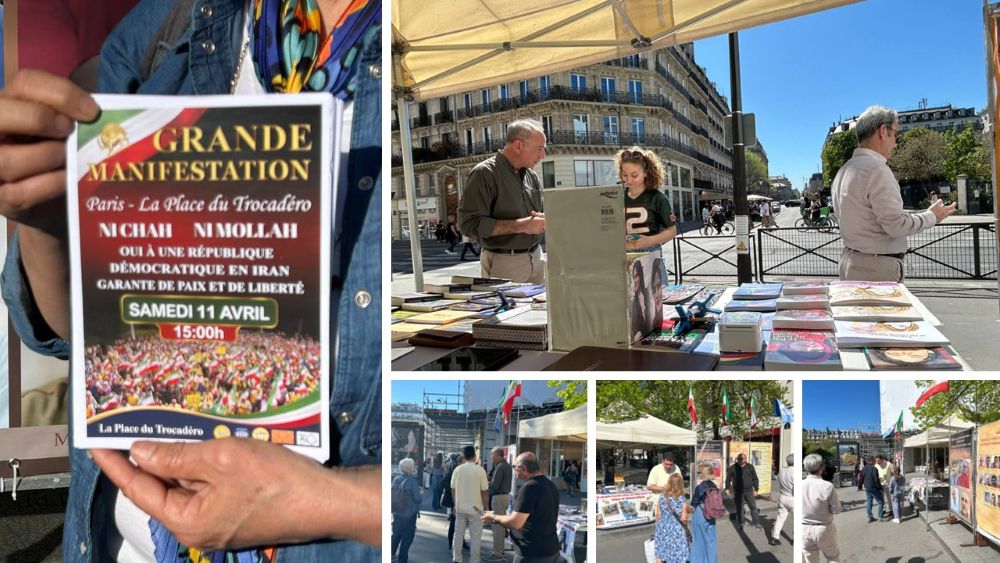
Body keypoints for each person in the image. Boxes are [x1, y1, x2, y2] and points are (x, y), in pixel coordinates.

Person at [0, 1, 381, 561]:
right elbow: (73, 333)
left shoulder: (402, 46)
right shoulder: (175, 20)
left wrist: (331, 502)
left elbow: (417, 495)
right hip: (123, 540)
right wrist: (42, 225)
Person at [831, 105, 957, 281]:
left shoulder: (844, 170)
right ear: (883, 131)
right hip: (876, 269)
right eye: (896, 134)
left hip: (851, 262)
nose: (896, 143)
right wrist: (931, 216)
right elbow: (895, 225)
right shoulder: (876, 169)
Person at [458, 119, 547, 283]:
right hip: (504, 262)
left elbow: (537, 215)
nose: (542, 156)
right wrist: (522, 225)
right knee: (509, 309)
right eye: (539, 149)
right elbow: (468, 225)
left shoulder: (532, 176)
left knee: (542, 308)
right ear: (518, 145)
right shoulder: (484, 173)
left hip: (537, 258)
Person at [482, 452, 560, 563]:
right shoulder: (550, 484)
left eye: (514, 467)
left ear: (523, 468)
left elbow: (515, 522)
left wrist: (493, 517)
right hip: (549, 549)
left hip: (532, 553)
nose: (513, 470)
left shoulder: (529, 488)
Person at [617, 146, 676, 283]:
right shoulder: (616, 197)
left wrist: (650, 240)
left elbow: (672, 231)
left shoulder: (658, 198)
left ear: (646, 173)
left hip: (651, 257)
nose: (629, 180)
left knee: (658, 303)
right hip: (624, 261)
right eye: (625, 175)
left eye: (634, 175)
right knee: (627, 304)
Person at [452, 445, 489, 563]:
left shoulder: (458, 469)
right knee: (475, 537)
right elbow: (484, 491)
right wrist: (486, 507)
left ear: (464, 456)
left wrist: (454, 503)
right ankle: (474, 560)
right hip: (476, 509)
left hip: (460, 507)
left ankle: (457, 559)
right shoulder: (480, 470)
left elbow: (453, 488)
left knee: (458, 535)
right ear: (474, 456)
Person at [802, 454, 842, 563]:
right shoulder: (827, 486)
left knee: (810, 559)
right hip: (823, 528)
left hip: (804, 529)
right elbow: (836, 510)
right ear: (821, 468)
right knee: (833, 557)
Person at [654, 472, 689, 563]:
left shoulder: (662, 497)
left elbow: (658, 514)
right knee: (677, 554)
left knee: (660, 554)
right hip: (676, 529)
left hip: (662, 527)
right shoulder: (682, 499)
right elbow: (684, 518)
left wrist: (660, 526)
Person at [391, 458, 422, 563]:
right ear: (410, 468)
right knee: (407, 537)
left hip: (397, 511)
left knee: (396, 534)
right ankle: (402, 559)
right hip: (409, 513)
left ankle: (390, 554)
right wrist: (420, 494)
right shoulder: (413, 482)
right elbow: (418, 499)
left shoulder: (396, 479)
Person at [688, 464, 718, 563]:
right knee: (711, 540)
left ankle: (698, 560)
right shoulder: (714, 486)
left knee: (698, 539)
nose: (698, 474)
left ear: (703, 474)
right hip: (712, 515)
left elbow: (693, 504)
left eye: (699, 473)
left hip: (700, 514)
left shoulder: (700, 487)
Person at [487, 447, 513, 561]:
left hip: (498, 497)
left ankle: (498, 553)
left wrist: (487, 483)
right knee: (500, 526)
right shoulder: (505, 465)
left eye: (492, 455)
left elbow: (494, 485)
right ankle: (498, 550)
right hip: (504, 496)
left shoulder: (500, 466)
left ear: (498, 455)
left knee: (497, 526)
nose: (491, 457)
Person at [725, 453, 760, 530]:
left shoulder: (750, 467)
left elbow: (755, 479)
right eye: (741, 459)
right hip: (738, 492)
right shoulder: (733, 468)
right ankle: (741, 523)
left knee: (753, 507)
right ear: (738, 459)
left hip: (749, 491)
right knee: (739, 508)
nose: (743, 460)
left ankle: (756, 522)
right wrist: (727, 488)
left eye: (744, 459)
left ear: (746, 459)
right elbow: (728, 479)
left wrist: (756, 489)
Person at [771, 454, 795, 546]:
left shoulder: (782, 470)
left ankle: (775, 538)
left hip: (783, 496)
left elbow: (778, 482)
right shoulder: (795, 472)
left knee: (780, 518)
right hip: (793, 498)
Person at [861, 456, 886, 522]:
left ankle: (870, 517)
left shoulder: (864, 468)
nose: (875, 461)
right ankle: (880, 517)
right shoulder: (874, 468)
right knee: (881, 502)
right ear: (871, 460)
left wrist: (863, 485)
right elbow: (876, 479)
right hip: (874, 488)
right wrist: (880, 488)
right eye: (874, 460)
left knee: (869, 501)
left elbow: (861, 478)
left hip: (867, 488)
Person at [875, 455, 895, 519]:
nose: (877, 462)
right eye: (876, 460)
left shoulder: (889, 464)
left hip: (888, 484)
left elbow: (893, 472)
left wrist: (892, 481)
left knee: (889, 498)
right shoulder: (876, 465)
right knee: (881, 498)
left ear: (882, 459)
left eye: (878, 460)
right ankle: (883, 509)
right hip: (880, 485)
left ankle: (891, 510)